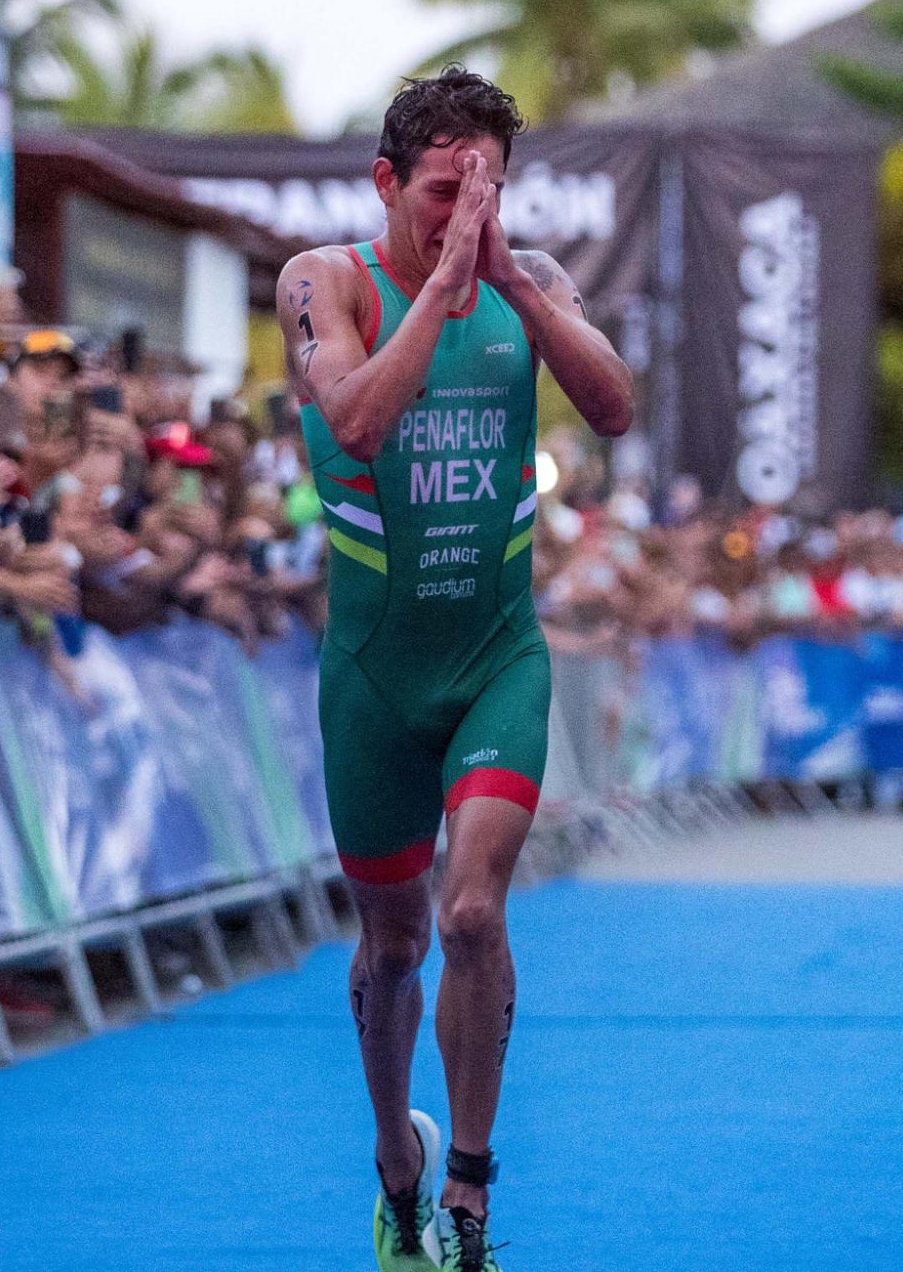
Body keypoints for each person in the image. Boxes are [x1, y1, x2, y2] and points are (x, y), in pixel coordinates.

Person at [275, 66, 630, 1272]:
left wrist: (514, 288)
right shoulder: (324, 282)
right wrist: (438, 285)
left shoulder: (524, 284)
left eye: (485, 188)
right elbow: (361, 420)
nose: (464, 213)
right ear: (386, 182)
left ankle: (470, 1188)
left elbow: (613, 406)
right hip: (374, 678)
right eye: (442, 190)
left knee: (472, 908)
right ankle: (397, 1161)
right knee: (391, 950)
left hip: (493, 659)